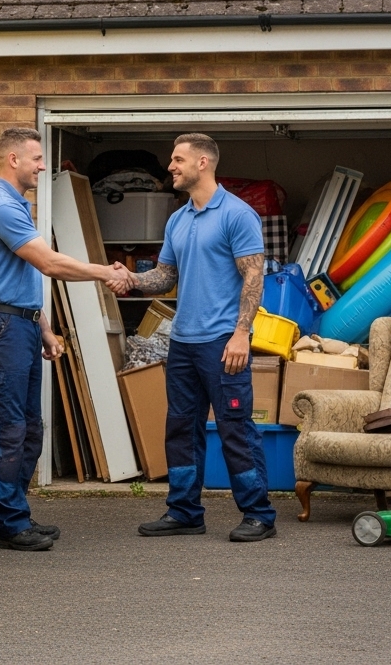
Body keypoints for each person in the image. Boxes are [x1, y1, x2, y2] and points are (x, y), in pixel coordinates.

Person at [108, 132, 277, 542]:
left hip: (223, 341)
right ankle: (184, 511)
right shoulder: (178, 219)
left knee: (235, 427)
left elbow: (253, 276)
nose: (171, 166)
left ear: (203, 163)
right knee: (181, 428)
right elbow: (165, 276)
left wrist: (242, 334)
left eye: (178, 159)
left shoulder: (237, 215)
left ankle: (258, 514)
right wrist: (131, 278)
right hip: (182, 342)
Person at [0, 127, 125, 551]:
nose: (42, 166)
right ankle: (9, 525)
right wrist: (106, 273)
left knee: (28, 429)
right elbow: (49, 264)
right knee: (9, 430)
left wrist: (44, 328)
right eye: (36, 158)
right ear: (13, 160)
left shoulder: (16, 206)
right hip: (0, 333)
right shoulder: (1, 206)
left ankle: (16, 515)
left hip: (17, 327)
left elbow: (22, 279)